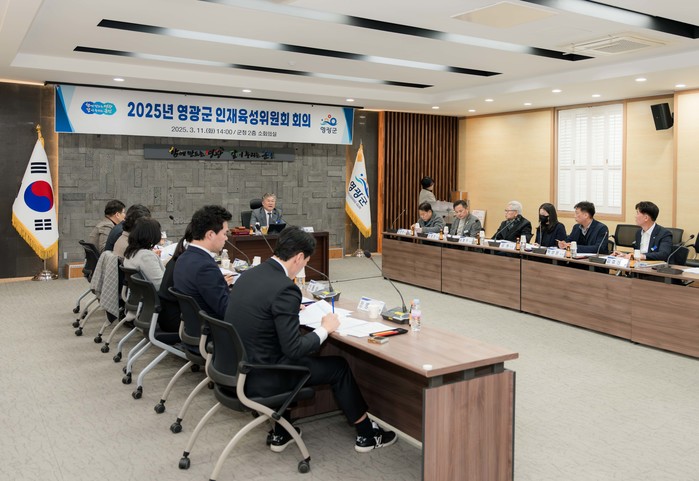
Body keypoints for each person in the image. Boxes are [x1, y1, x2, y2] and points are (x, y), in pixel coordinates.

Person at [226, 226, 397, 453]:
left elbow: (261, 313)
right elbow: (294, 349)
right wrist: (325, 329)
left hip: (237, 367)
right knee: (339, 366)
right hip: (264, 376)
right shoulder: (285, 288)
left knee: (283, 351)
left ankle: (282, 431)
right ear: (298, 257)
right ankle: (367, 434)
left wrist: (287, 310)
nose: (304, 266)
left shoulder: (250, 274)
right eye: (306, 261)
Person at [173, 205, 233, 319]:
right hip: (213, 326)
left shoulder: (183, 257)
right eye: (225, 233)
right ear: (210, 234)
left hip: (193, 324)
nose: (226, 238)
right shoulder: (205, 267)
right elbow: (227, 310)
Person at [156, 224, 193, 332]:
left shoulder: (177, 259)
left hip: (165, 316)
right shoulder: (188, 264)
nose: (225, 238)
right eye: (223, 234)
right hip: (177, 321)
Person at [123, 218, 166, 290]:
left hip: (138, 295)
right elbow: (159, 285)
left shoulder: (130, 252)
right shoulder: (146, 256)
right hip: (156, 295)